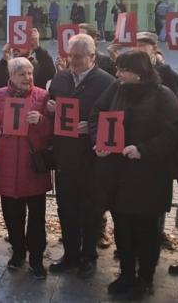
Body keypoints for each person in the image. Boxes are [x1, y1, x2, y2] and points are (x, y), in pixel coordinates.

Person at [89, 50, 178, 299]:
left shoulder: (163, 95)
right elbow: (97, 114)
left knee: (147, 231)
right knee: (123, 227)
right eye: (118, 68)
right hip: (118, 175)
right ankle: (127, 273)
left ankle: (145, 278)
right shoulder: (116, 89)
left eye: (123, 70)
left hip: (148, 176)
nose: (117, 73)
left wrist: (143, 149)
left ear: (139, 73)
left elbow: (171, 132)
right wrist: (99, 140)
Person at [0, 57, 54, 280]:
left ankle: (37, 258)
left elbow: (53, 132)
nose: (27, 78)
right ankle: (18, 251)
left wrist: (41, 121)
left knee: (37, 217)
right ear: (11, 76)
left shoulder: (43, 96)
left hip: (33, 167)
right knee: (12, 215)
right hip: (8, 166)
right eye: (22, 74)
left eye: (30, 73)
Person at [46, 34, 116, 278]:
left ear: (92, 57)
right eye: (70, 56)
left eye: (78, 57)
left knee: (90, 209)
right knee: (66, 207)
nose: (73, 61)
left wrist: (93, 128)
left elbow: (115, 119)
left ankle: (88, 256)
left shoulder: (107, 82)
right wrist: (50, 108)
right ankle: (70, 254)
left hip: (91, 158)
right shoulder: (61, 77)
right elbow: (52, 104)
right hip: (65, 156)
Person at [0, 27, 55, 91]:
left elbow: (50, 72)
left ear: (31, 48)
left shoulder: (38, 66)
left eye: (21, 43)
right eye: (14, 43)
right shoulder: (6, 66)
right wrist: (4, 61)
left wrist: (38, 48)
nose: (15, 48)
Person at [135, 31, 178, 95]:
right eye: (134, 46)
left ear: (154, 48)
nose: (137, 49)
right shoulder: (129, 67)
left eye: (141, 45)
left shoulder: (164, 71)